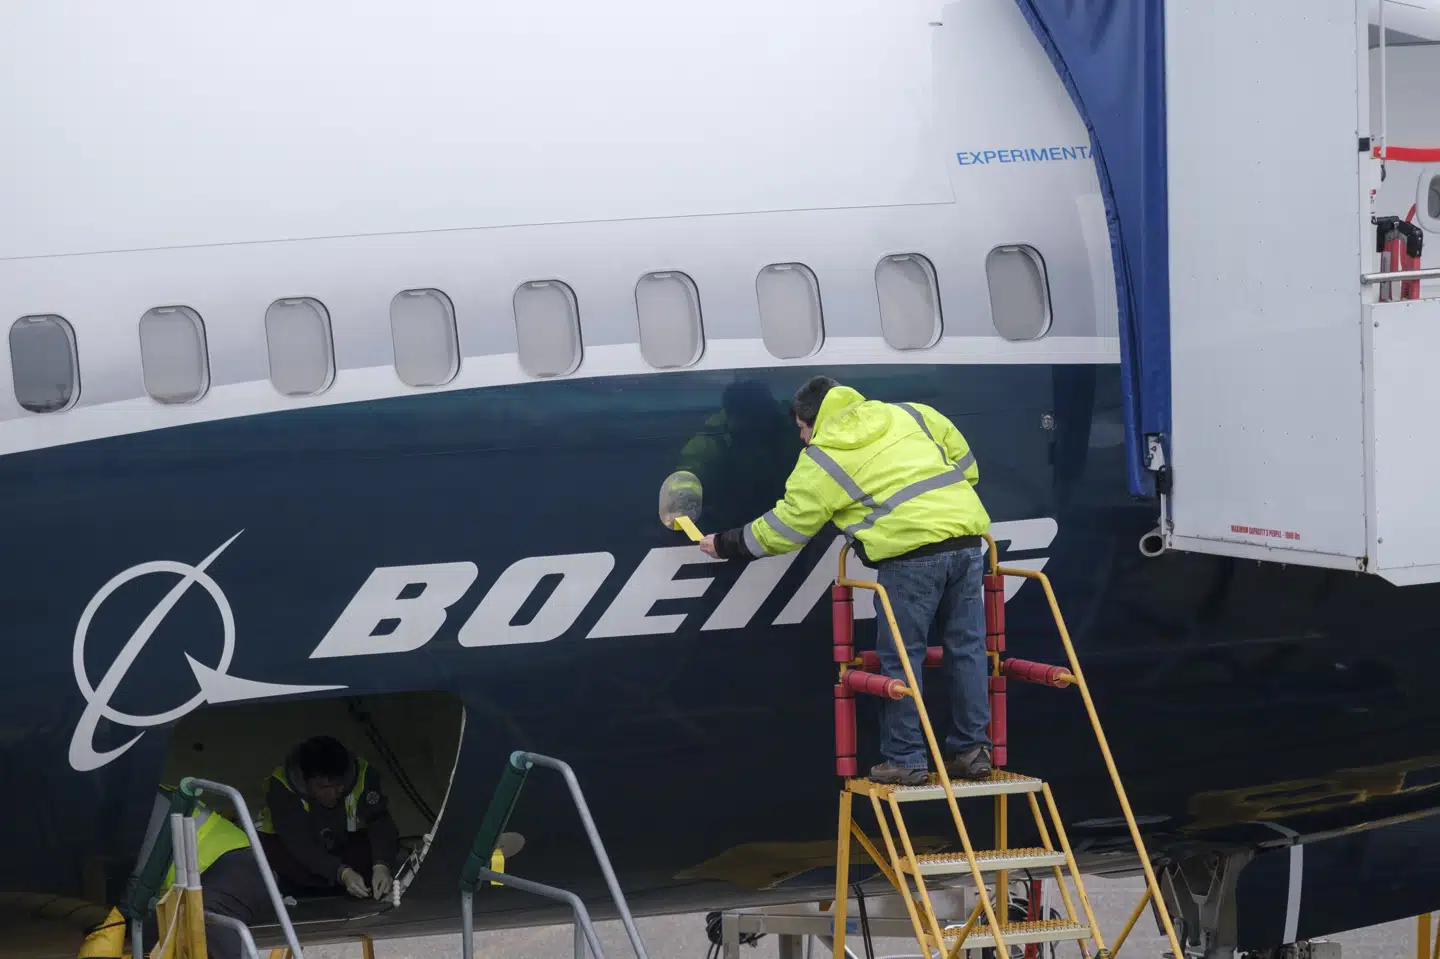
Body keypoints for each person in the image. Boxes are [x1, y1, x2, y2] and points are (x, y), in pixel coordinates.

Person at [699, 376, 993, 787]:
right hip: (968, 544)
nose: (801, 440)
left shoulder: (823, 457)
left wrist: (726, 543)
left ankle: (906, 758)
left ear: (811, 420)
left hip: (908, 559)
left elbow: (786, 528)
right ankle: (973, 751)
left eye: (801, 430)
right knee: (967, 648)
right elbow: (966, 469)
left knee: (901, 659)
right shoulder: (913, 413)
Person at [79, 784, 269, 959]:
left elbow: (140, 882)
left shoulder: (140, 806)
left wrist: (114, 921)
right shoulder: (126, 799)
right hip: (202, 878)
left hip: (236, 863)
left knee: (200, 925)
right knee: (157, 932)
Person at [256, 735, 399, 901]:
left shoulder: (363, 774)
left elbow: (380, 822)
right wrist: (342, 873)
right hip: (295, 856)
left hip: (341, 845)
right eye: (323, 787)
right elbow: (299, 843)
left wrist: (382, 865)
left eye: (339, 785)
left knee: (368, 847)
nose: (333, 793)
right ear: (305, 780)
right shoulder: (282, 786)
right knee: (274, 854)